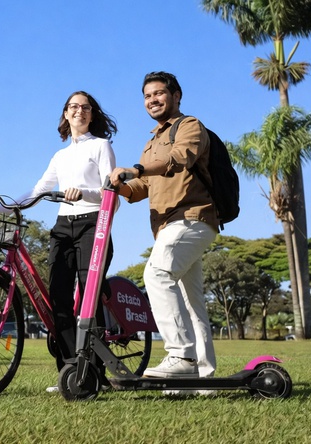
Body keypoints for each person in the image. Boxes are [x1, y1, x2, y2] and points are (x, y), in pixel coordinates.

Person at [0, 91, 118, 389]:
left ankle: (95, 373)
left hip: (92, 224)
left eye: (86, 107)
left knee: (88, 296)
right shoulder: (60, 156)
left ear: (92, 114)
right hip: (63, 226)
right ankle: (70, 372)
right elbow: (38, 191)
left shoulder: (101, 146)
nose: (79, 111)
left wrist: (83, 192)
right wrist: (2, 207)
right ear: (66, 114)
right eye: (74, 107)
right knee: (58, 297)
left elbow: (111, 194)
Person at [109, 71, 218, 380]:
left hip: (191, 217)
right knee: (191, 302)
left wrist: (136, 169)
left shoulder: (189, 126)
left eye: (158, 93)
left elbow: (181, 158)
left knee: (157, 274)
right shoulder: (151, 142)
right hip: (168, 226)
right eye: (147, 96)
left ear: (176, 96)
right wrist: (118, 185)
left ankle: (181, 355)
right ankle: (201, 375)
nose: (152, 100)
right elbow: (140, 188)